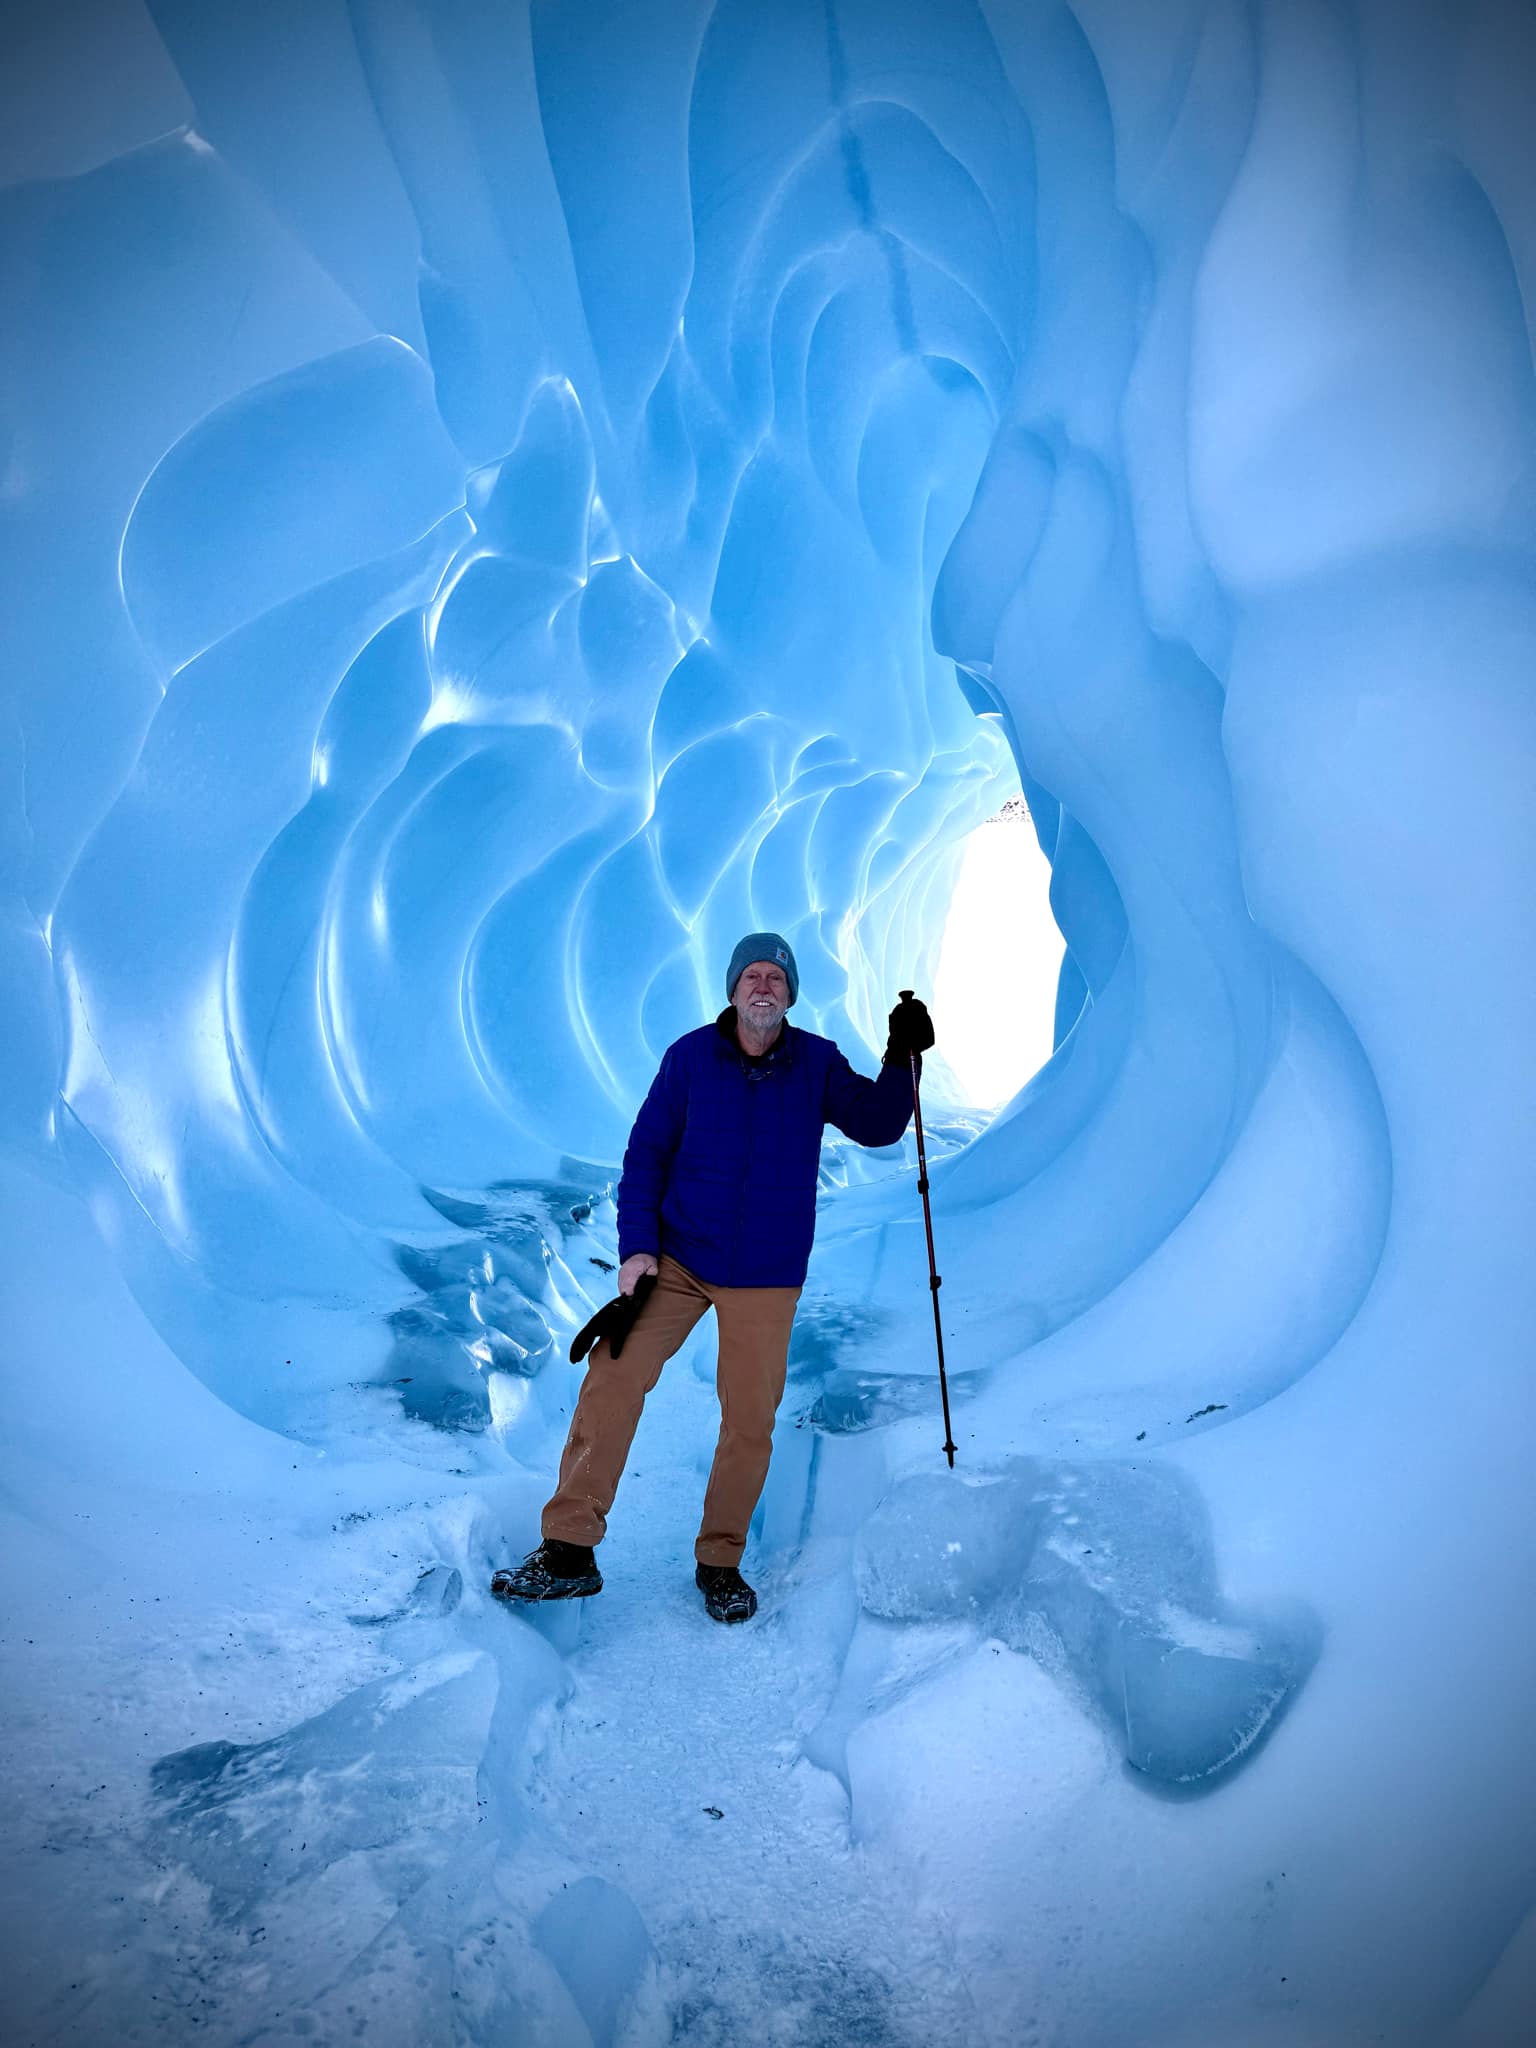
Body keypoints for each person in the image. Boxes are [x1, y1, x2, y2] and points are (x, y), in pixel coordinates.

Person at [492, 931, 934, 1623]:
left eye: (777, 979)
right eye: (752, 975)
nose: (764, 986)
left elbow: (877, 1125)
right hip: (680, 1259)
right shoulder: (691, 1058)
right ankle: (568, 1548)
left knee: (750, 1419)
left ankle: (720, 1561)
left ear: (790, 996)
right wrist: (637, 1249)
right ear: (732, 989)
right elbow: (646, 1154)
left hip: (766, 1272)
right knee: (613, 1370)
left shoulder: (816, 1062)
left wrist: (901, 1057)